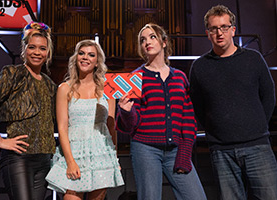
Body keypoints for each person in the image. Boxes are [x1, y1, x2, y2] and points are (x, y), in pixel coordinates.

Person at [189, 5, 277, 200]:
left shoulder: (253, 59)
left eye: (224, 27)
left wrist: (257, 125)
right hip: (221, 151)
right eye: (214, 28)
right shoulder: (200, 67)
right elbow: (198, 106)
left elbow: (269, 96)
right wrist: (216, 131)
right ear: (208, 33)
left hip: (257, 146)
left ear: (233, 30)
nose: (219, 33)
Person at [116, 23, 206, 200]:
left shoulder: (180, 77)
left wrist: (185, 152)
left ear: (164, 42)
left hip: (176, 150)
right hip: (145, 150)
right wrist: (127, 112)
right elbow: (129, 126)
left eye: (152, 37)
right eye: (143, 40)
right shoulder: (136, 77)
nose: (147, 42)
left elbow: (187, 117)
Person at [0, 21, 57, 200]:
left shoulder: (49, 84)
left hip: (44, 160)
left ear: (48, 52)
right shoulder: (13, 74)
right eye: (32, 47)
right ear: (24, 49)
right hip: (19, 158)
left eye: (42, 48)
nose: (37, 52)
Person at [45, 39, 124, 200]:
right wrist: (70, 161)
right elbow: (62, 128)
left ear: (97, 62)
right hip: (74, 153)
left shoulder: (107, 87)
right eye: (81, 53)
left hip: (102, 154)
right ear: (76, 58)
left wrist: (114, 158)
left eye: (91, 55)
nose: (85, 57)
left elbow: (111, 125)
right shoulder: (64, 88)